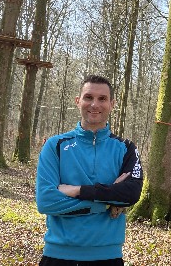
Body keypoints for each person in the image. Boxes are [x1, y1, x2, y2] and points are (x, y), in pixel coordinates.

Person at [35, 75, 144, 265]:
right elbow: (46, 201)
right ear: (78, 101)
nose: (95, 104)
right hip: (58, 255)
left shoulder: (126, 148)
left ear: (112, 104)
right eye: (88, 97)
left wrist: (78, 191)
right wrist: (106, 202)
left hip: (108, 257)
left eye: (102, 99)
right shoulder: (55, 146)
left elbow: (131, 194)